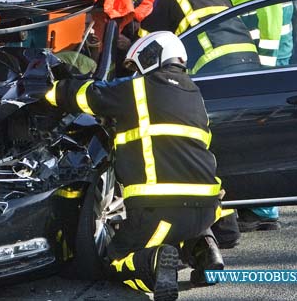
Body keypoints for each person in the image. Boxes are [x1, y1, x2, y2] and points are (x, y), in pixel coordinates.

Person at [45, 32, 224, 299]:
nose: (136, 70)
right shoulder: (193, 93)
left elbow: (89, 96)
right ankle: (206, 252)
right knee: (180, 229)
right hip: (208, 209)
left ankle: (154, 262)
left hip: (161, 208)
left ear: (151, 57)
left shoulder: (137, 88)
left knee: (115, 262)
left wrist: (48, 89)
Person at [206, 0, 293, 231]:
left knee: (260, 133)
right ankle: (255, 205)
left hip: (266, 60)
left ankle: (264, 211)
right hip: (255, 58)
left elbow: (270, 15)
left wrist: (264, 67)